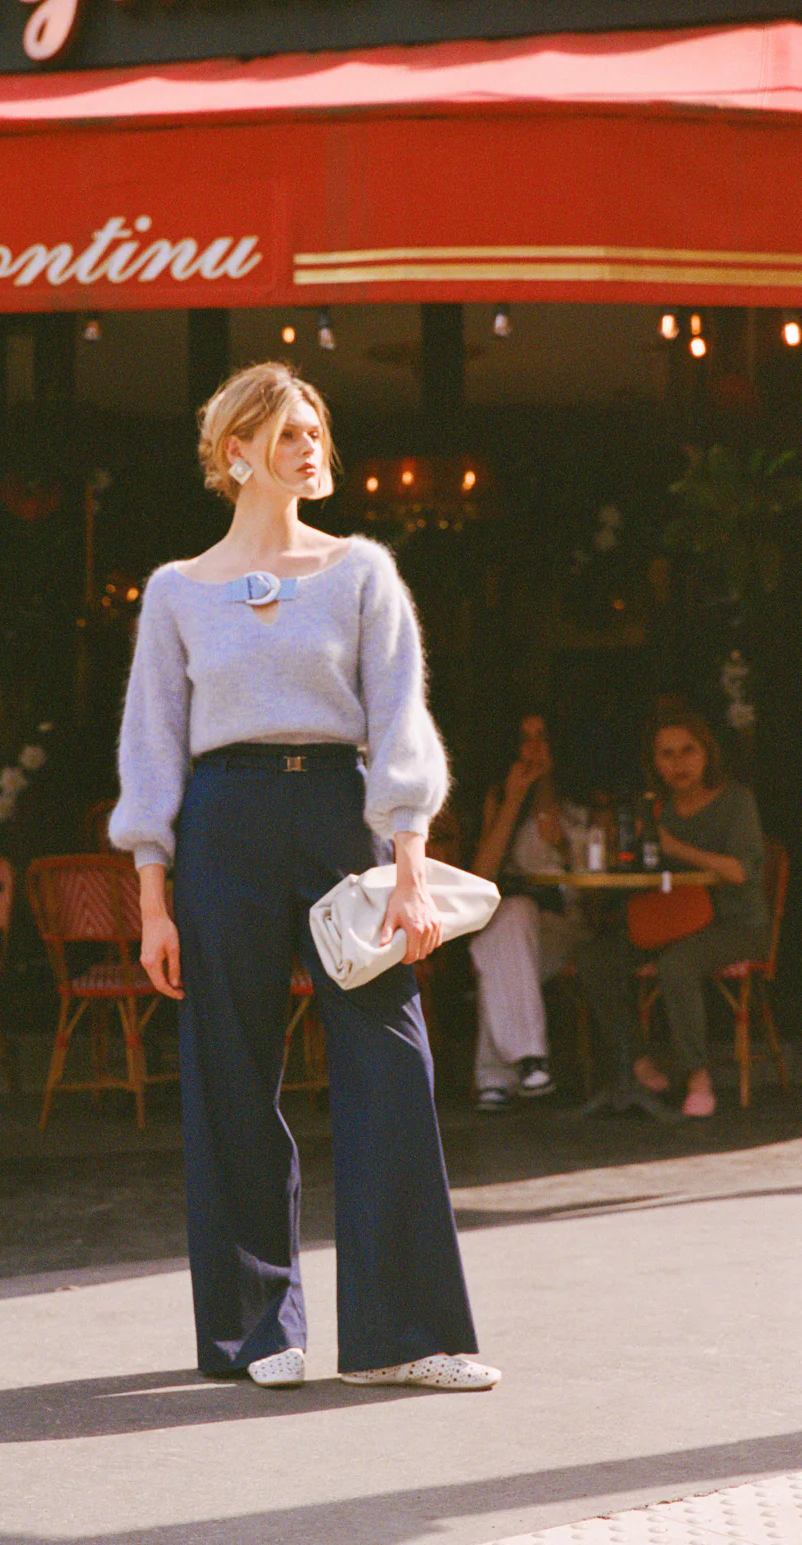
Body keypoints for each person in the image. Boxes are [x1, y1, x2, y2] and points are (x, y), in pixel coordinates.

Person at [109, 362, 499, 1393]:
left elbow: (398, 722)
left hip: (340, 814)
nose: (313, 446)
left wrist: (410, 868)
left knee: (390, 1065)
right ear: (236, 451)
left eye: (318, 430)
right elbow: (152, 749)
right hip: (221, 822)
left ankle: (406, 1337)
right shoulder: (174, 591)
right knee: (229, 1073)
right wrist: (152, 898)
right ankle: (254, 1336)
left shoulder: (361, 570)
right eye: (289, 434)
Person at [578, 708, 768, 1118]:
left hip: (736, 925)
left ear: (707, 753)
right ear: (654, 762)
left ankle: (698, 1077)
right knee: (596, 957)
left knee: (677, 965)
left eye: (688, 751)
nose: (679, 764)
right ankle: (638, 1064)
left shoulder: (736, 801)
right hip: (674, 920)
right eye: (667, 754)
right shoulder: (654, 808)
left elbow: (739, 871)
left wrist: (675, 848)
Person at [468, 712, 589, 1110]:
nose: (534, 748)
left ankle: (495, 1076)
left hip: (566, 924)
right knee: (511, 919)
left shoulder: (580, 803)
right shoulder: (501, 797)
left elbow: (594, 882)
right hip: (513, 919)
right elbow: (480, 877)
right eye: (524, 739)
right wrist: (514, 798)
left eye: (543, 737)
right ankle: (530, 1062)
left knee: (497, 955)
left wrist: (565, 849)